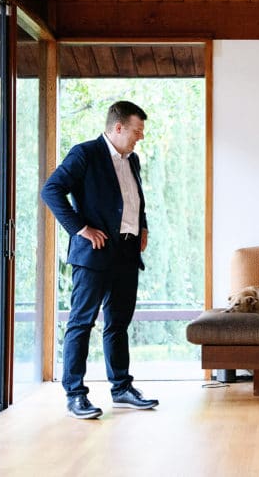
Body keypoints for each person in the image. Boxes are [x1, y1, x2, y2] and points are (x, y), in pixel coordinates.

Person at [41, 101, 159, 419]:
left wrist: (142, 226)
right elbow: (51, 190)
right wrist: (81, 228)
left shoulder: (130, 160)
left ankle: (121, 388)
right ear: (118, 128)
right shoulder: (85, 153)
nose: (140, 137)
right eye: (137, 131)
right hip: (94, 253)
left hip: (126, 252)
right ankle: (75, 394)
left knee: (118, 323)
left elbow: (133, 198)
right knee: (82, 323)